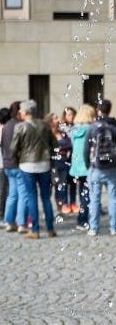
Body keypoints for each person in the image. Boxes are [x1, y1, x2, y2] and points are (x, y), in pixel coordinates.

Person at [10, 100, 57, 239]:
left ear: (25, 112)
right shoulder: (45, 126)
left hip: (26, 165)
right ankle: (50, 229)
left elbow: (13, 148)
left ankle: (35, 230)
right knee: (46, 198)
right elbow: (54, 143)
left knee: (31, 197)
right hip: (44, 164)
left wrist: (16, 162)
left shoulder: (20, 127)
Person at [84, 99, 116, 237]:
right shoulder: (114, 127)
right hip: (112, 167)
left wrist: (89, 165)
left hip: (96, 167)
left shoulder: (92, 127)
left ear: (98, 109)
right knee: (113, 199)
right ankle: (114, 228)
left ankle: (93, 228)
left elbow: (86, 149)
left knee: (94, 199)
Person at [1, 101, 28, 233]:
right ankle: (21, 223)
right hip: (19, 164)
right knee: (23, 194)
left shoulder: (5, 126)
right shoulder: (21, 125)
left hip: (7, 164)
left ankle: (9, 222)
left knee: (12, 195)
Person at [69, 104, 96, 231]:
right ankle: (84, 220)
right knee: (89, 194)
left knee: (82, 194)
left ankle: (82, 219)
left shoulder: (73, 130)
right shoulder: (91, 129)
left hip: (76, 167)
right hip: (88, 164)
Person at [45, 112, 73, 215]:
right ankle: (47, 208)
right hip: (52, 162)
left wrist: (61, 148)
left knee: (62, 185)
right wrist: (57, 149)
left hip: (63, 161)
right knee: (49, 186)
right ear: (50, 121)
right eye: (55, 118)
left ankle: (61, 207)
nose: (58, 120)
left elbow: (69, 144)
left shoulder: (62, 132)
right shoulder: (46, 133)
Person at [60, 107, 78, 213]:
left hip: (74, 157)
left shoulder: (77, 127)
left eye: (72, 114)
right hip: (64, 158)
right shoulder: (61, 128)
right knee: (64, 181)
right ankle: (64, 203)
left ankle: (73, 202)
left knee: (73, 182)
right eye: (69, 114)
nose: (71, 117)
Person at [0, 107, 11, 226]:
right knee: (3, 191)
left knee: (5, 191)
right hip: (3, 164)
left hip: (4, 163)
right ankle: (2, 215)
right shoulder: (4, 129)